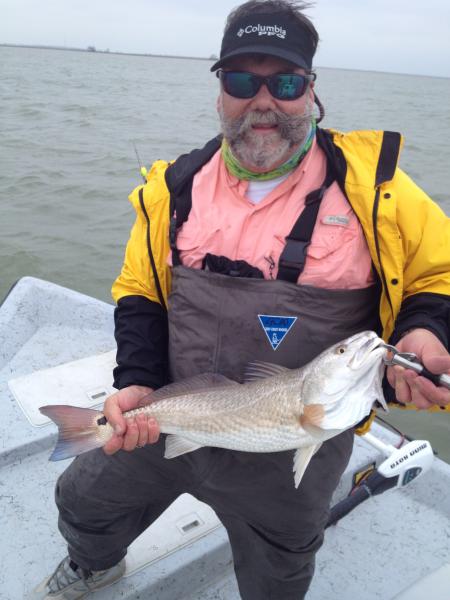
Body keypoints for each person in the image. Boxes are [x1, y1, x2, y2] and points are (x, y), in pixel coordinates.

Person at [34, 1, 450, 599]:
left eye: (285, 83)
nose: (263, 101)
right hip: (175, 409)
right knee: (82, 497)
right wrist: (137, 380)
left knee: (282, 564)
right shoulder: (174, 187)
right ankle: (93, 564)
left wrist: (426, 327)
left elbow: (437, 274)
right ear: (219, 92)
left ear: (311, 89)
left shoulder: (377, 193)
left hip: (296, 441)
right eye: (240, 80)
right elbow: (141, 294)